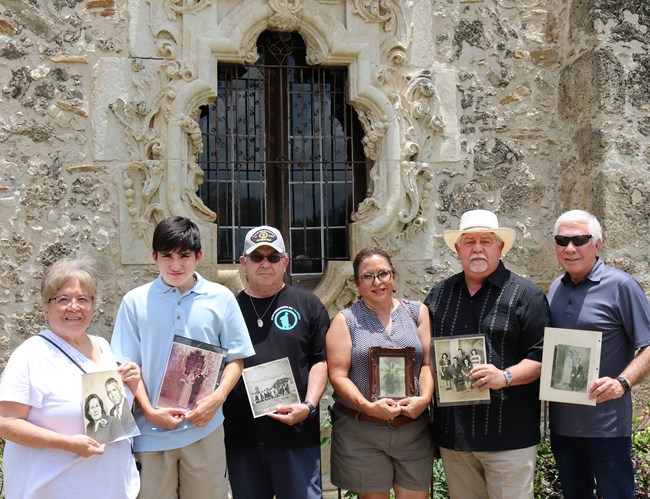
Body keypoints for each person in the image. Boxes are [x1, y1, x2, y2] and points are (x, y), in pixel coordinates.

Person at [111, 216, 255, 499]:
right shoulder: (134, 301)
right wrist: (150, 412)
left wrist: (216, 399)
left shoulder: (221, 298)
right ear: (154, 257)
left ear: (198, 256)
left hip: (205, 428)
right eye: (167, 256)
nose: (175, 265)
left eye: (184, 256)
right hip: (150, 431)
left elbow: (236, 359)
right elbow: (128, 367)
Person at [424, 209, 549, 499]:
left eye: (486, 241)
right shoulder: (439, 295)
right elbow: (426, 354)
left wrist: (503, 376)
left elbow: (542, 358)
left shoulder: (526, 296)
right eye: (469, 242)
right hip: (456, 437)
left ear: (500, 247)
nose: (477, 248)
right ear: (457, 250)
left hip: (508, 436)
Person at [0, 258, 141, 499]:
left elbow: (113, 417)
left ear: (93, 305)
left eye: (83, 299)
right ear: (46, 306)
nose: (74, 307)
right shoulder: (32, 354)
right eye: (63, 299)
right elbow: (6, 423)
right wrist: (67, 443)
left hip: (112, 489)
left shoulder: (103, 347)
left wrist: (133, 381)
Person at [547, 209, 650, 499]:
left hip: (607, 428)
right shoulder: (555, 288)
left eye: (579, 239)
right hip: (564, 428)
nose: (570, 248)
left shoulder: (621, 286)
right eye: (562, 240)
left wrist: (623, 383)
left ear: (597, 243)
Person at [223, 225, 330, 499]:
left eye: (273, 257)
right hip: (243, 436)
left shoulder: (309, 304)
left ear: (285, 262)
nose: (265, 264)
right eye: (257, 257)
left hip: (295, 434)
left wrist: (309, 406)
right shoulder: (227, 310)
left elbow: (320, 360)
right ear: (243, 263)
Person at [327, 247, 434, 499]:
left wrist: (424, 399)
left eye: (383, 273)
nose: (377, 282)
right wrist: (367, 406)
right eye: (368, 276)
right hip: (364, 431)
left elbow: (427, 365)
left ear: (394, 276)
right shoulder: (346, 320)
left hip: (412, 428)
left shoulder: (417, 312)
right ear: (357, 283)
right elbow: (338, 375)